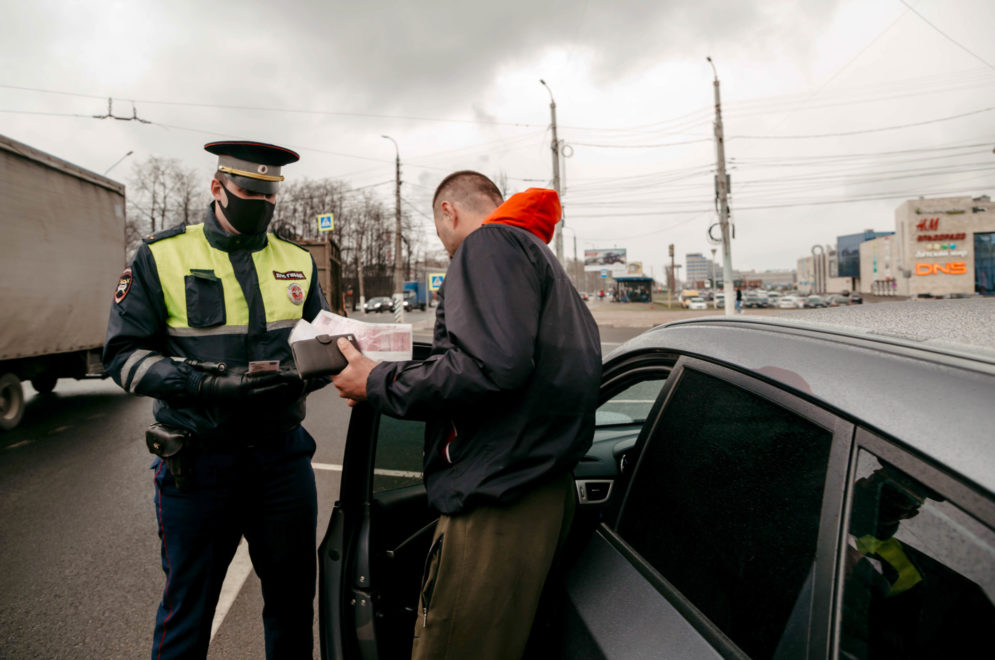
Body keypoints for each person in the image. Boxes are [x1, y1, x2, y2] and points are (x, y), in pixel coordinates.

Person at [332, 171, 602, 660]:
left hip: (499, 500)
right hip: (541, 487)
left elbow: (487, 368)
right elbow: (508, 365)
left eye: (441, 232)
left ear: (448, 213)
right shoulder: (535, 253)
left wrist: (375, 382)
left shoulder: (487, 245)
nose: (447, 247)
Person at [103, 140, 330, 659]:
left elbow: (324, 347)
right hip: (199, 464)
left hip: (282, 461)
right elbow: (122, 356)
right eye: (249, 192)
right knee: (188, 611)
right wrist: (205, 385)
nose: (261, 205)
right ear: (218, 187)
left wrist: (301, 378)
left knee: (294, 606)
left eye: (270, 195)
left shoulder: (297, 259)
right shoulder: (160, 255)